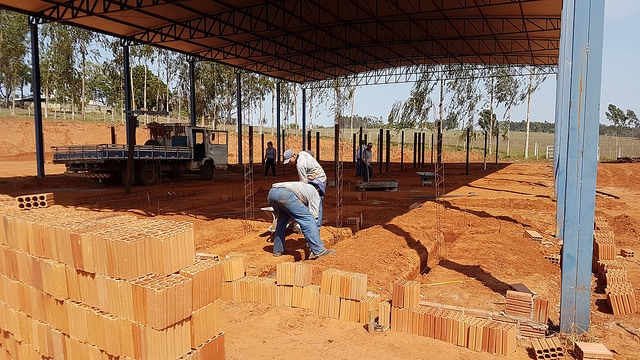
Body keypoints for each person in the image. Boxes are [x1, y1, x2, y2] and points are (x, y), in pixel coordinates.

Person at [267, 181, 335, 259]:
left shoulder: (303, 187)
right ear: (318, 190)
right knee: (308, 219)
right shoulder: (314, 193)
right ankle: (319, 251)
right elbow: (314, 215)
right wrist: (314, 228)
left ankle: (278, 250)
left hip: (272, 193)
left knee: (282, 220)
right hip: (285, 194)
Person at [283, 149, 327, 229]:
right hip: (315, 179)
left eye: (289, 161)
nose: (289, 163)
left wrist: (300, 196)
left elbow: (304, 184)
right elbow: (311, 152)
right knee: (311, 202)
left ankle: (316, 227)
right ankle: (309, 223)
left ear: (294, 156)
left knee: (316, 203)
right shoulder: (302, 153)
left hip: (318, 181)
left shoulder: (300, 165)